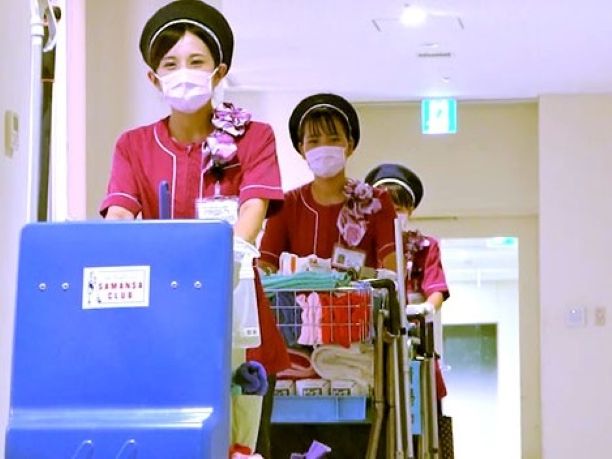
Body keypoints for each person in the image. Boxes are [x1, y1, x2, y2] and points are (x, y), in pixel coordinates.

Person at [99, 1, 289, 456]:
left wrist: (230, 256)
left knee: (242, 440)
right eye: (170, 64)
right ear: (153, 78)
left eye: (196, 61)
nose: (183, 72)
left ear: (219, 72)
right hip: (161, 317)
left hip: (235, 308)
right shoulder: (133, 146)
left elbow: (254, 206)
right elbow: (119, 213)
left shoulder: (253, 137)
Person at [258, 93, 397, 274]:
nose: (324, 148)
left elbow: (394, 265)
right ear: (302, 149)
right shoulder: (286, 205)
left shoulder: (375, 202)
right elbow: (266, 265)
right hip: (297, 294)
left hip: (360, 293)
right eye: (314, 141)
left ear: (350, 145)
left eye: (334, 139)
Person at [364, 163, 450, 313]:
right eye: (385, 211)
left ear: (410, 210)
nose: (391, 216)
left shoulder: (426, 247)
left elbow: (436, 289)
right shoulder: (361, 246)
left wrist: (425, 308)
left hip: (411, 322)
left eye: (398, 209)